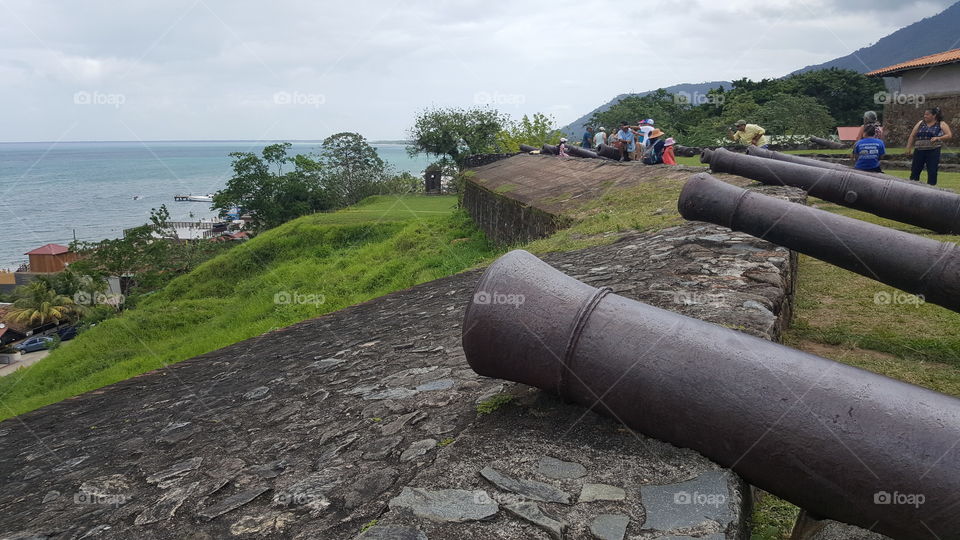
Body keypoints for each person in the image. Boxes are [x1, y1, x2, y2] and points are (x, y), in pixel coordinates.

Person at [906, 107, 953, 186]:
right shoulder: (921, 123)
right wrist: (909, 147)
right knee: (915, 170)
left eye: (927, 114)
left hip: (933, 151)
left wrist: (938, 138)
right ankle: (912, 187)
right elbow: (912, 135)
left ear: (934, 116)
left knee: (932, 171)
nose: (925, 116)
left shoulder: (941, 123)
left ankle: (931, 189)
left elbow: (949, 135)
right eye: (924, 114)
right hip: (919, 150)